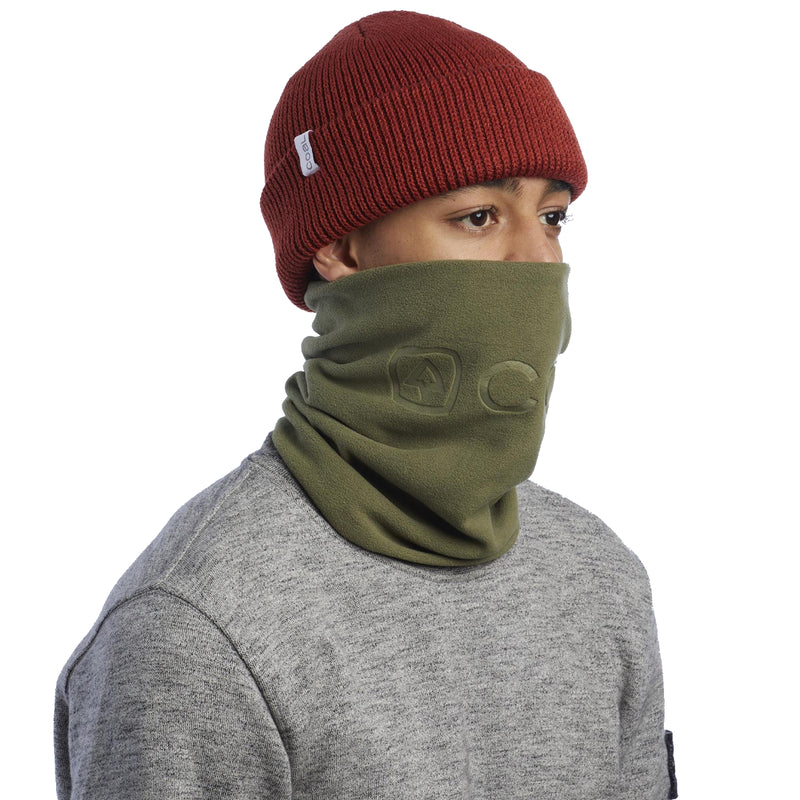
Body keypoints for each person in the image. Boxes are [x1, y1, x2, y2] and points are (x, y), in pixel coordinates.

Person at [54, 11, 677, 799]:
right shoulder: (196, 628)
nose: (536, 262)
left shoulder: (599, 578)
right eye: (478, 216)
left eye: (552, 218)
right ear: (342, 247)